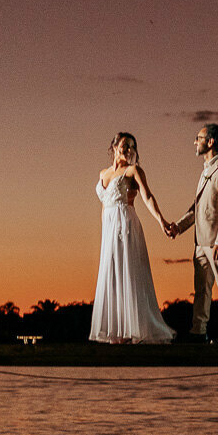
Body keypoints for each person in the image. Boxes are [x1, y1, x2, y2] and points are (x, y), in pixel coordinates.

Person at [88, 133, 175, 343]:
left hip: (125, 224)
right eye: (125, 146)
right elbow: (104, 206)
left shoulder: (133, 171)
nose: (128, 150)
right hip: (108, 229)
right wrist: (103, 234)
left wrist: (162, 221)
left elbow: (147, 196)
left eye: (132, 147)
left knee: (127, 272)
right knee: (111, 274)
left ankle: (134, 329)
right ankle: (115, 330)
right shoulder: (103, 173)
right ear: (115, 147)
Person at [164, 123, 218, 342]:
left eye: (198, 137)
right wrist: (179, 226)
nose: (195, 142)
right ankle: (198, 330)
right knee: (201, 290)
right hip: (200, 242)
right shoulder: (206, 171)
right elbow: (198, 207)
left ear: (210, 142)